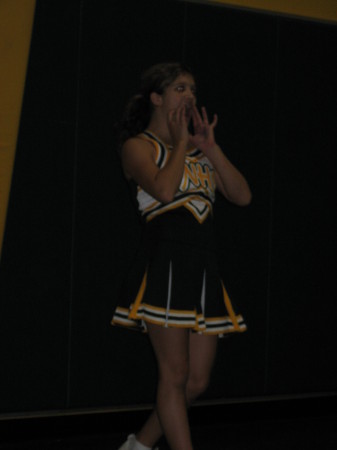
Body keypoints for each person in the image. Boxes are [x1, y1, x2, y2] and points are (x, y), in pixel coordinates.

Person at [111, 62, 252, 450]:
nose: (189, 94)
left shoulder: (197, 150)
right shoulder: (137, 146)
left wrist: (209, 147)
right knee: (174, 376)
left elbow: (242, 196)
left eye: (193, 88)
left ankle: (137, 446)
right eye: (179, 88)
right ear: (157, 97)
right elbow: (166, 192)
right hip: (165, 264)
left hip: (202, 268)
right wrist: (178, 144)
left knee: (195, 382)